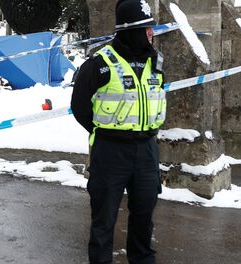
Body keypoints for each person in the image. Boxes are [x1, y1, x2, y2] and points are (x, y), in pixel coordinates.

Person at [70, 0, 166, 263]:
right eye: (147, 28)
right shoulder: (99, 64)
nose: (152, 33)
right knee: (104, 220)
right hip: (111, 152)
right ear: (132, 30)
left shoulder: (154, 62)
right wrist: (106, 132)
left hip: (147, 151)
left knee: (144, 218)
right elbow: (79, 106)